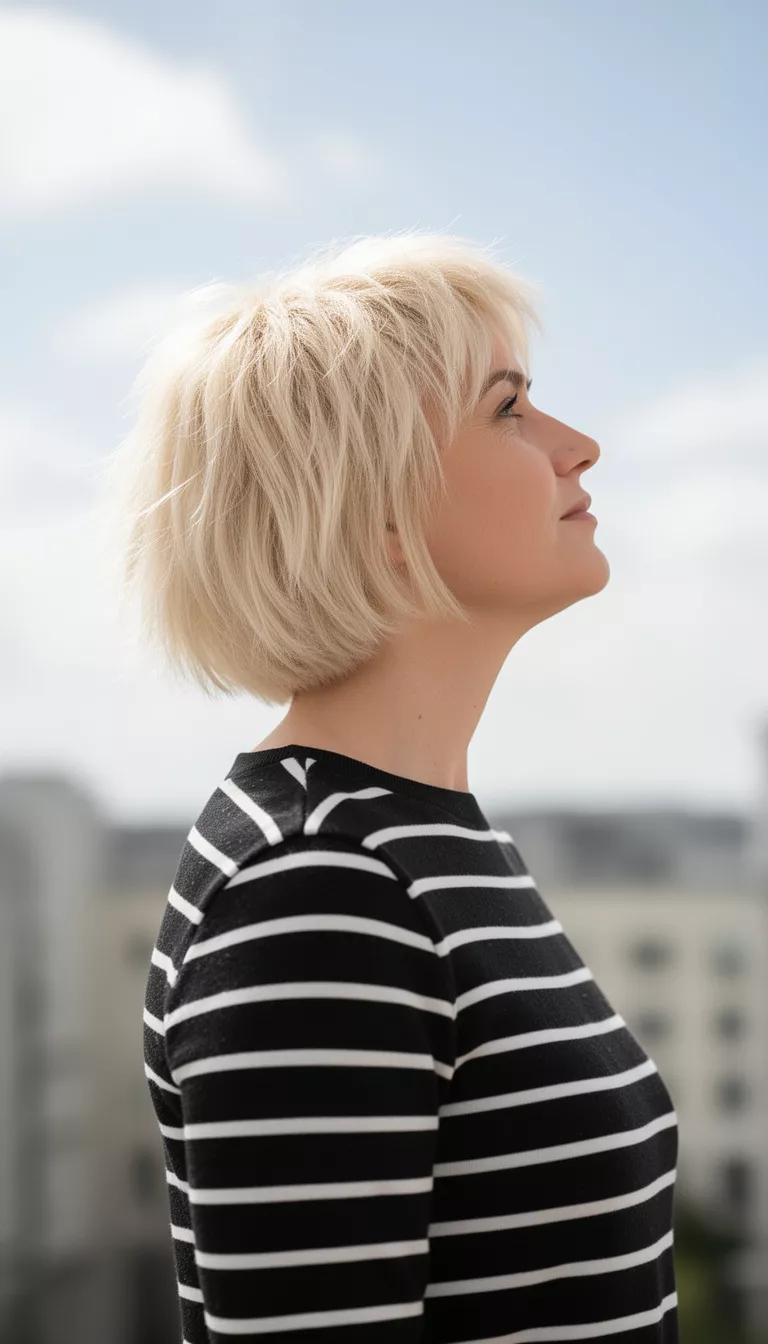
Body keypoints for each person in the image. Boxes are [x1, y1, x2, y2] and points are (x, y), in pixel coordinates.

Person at [105, 231, 679, 1342]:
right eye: (509, 408)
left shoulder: (415, 844)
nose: (581, 446)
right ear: (368, 500)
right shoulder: (313, 886)